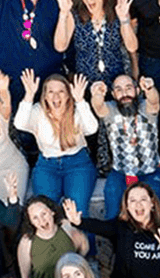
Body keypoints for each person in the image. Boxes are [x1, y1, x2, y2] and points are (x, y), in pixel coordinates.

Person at [15, 71, 98, 210]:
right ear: (45, 96)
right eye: (51, 91)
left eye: (61, 91)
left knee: (77, 211)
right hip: (47, 166)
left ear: (68, 95)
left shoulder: (76, 111)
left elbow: (92, 128)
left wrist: (80, 101)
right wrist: (28, 95)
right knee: (46, 210)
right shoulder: (38, 111)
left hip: (78, 164)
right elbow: (20, 124)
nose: (56, 96)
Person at [90, 74, 160, 220]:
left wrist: (150, 88)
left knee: (156, 215)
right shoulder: (111, 109)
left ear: (137, 90)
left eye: (128, 88)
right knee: (112, 214)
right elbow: (98, 106)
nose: (124, 94)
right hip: (120, 172)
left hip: (149, 171)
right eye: (118, 89)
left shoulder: (146, 107)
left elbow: (155, 100)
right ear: (113, 94)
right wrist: (97, 94)